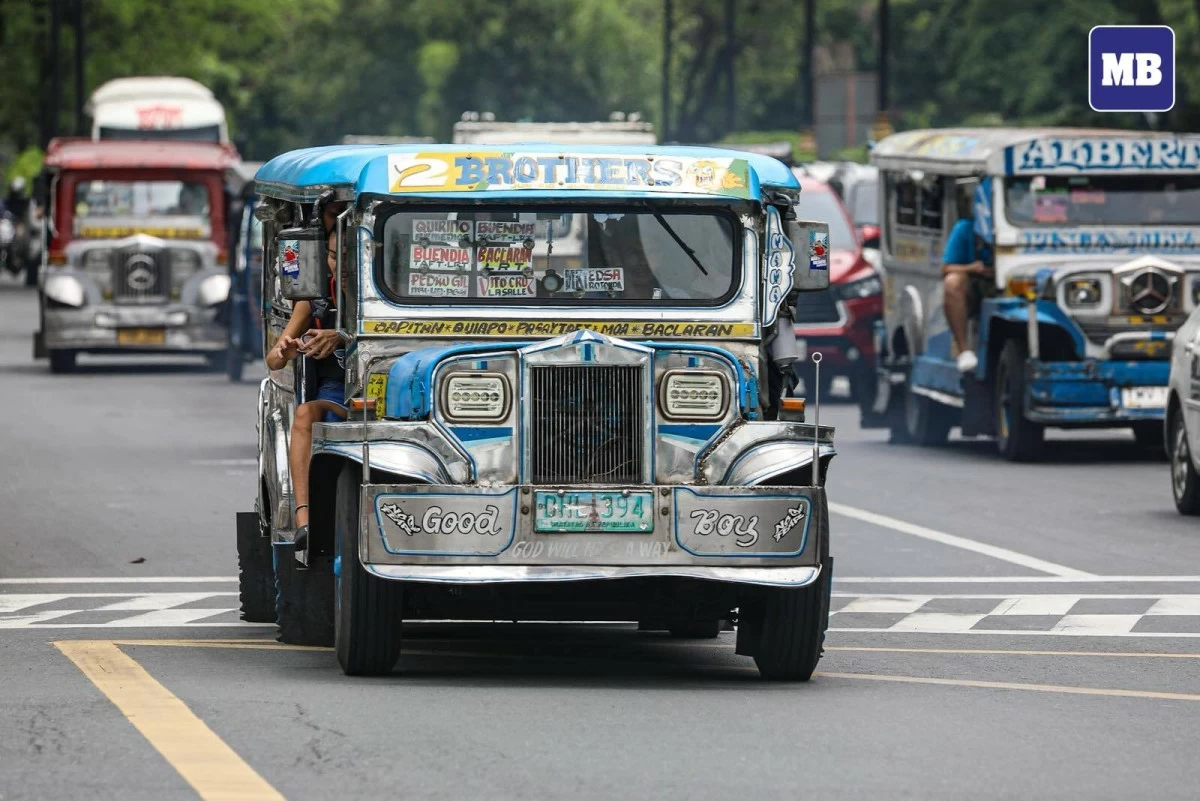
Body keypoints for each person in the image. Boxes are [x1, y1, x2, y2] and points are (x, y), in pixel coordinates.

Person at [264, 201, 350, 548]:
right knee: (304, 413)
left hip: (380, 395)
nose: (339, 265)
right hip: (335, 393)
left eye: (346, 257)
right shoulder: (313, 297)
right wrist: (285, 349)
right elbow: (273, 360)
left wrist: (342, 336)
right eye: (331, 256)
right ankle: (304, 519)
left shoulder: (388, 294)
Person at [942, 184, 995, 373]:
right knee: (953, 282)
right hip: (976, 287)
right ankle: (964, 350)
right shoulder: (964, 228)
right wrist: (971, 268)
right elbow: (946, 267)